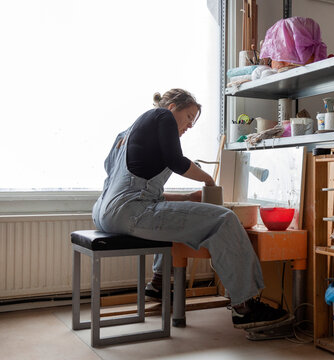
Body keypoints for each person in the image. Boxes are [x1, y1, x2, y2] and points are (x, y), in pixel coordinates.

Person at [92, 88, 287, 329]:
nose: (190, 126)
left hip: (104, 212)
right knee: (224, 219)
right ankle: (245, 308)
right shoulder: (162, 116)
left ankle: (159, 283)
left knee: (163, 212)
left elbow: (131, 184)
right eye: (189, 117)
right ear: (173, 106)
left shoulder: (127, 132)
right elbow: (177, 162)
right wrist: (208, 180)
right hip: (128, 211)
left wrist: (186, 197)